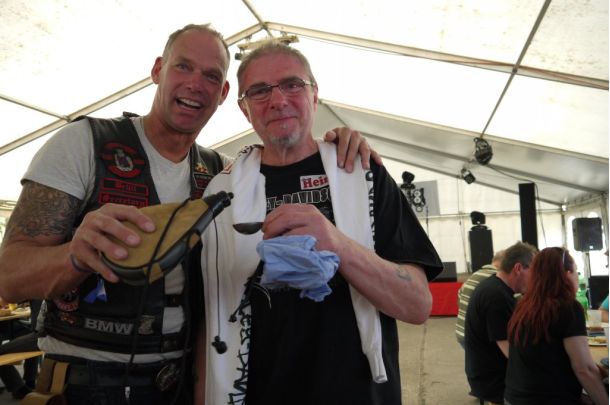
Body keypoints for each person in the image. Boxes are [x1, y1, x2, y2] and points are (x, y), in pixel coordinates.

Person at [0, 24, 373, 405]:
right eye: (183, 67)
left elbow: (286, 158)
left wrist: (336, 146)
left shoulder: (223, 175)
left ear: (223, 94)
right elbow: (7, 277)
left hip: (188, 382)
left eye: (211, 76)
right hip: (87, 383)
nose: (196, 84)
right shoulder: (85, 143)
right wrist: (75, 257)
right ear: (157, 70)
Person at [197, 39, 443, 405]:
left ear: (314, 95)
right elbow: (211, 314)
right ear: (244, 109)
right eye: (260, 90)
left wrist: (337, 243)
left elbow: (417, 305)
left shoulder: (362, 173)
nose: (278, 99)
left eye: (292, 84)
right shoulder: (221, 193)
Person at [505, 247, 607, 405]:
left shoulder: (523, 305)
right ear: (567, 274)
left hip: (514, 397)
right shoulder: (569, 307)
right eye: (576, 271)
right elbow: (584, 369)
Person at [464, 241, 537, 404]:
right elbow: (511, 352)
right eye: (533, 272)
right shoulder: (497, 297)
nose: (535, 279)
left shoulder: (494, 285)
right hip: (493, 380)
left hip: (487, 373)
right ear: (518, 268)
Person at [455, 250, 505, 348]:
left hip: (461, 332)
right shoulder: (497, 277)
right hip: (477, 337)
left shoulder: (474, 275)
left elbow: (459, 300)